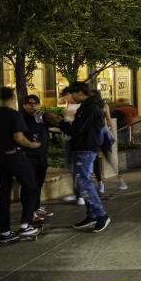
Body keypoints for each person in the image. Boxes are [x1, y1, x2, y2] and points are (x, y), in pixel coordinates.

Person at [45, 82, 110, 232]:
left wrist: (58, 121)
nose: (71, 97)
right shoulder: (86, 106)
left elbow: (76, 129)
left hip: (86, 149)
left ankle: (101, 215)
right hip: (82, 147)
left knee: (84, 182)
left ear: (80, 92)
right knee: (82, 182)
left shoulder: (90, 108)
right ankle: (92, 215)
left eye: (72, 94)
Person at [0, 87, 43, 243]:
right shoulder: (14, 114)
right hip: (13, 155)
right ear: (12, 98)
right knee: (31, 186)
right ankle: (25, 224)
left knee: (4, 192)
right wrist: (32, 145)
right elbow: (19, 137)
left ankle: (4, 232)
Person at [21, 94, 53, 224]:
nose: (33, 106)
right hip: (28, 157)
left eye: (35, 103)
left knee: (38, 185)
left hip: (41, 156)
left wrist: (44, 117)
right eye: (30, 103)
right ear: (24, 105)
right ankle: (29, 213)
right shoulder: (21, 118)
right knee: (29, 186)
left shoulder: (41, 117)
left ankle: (37, 208)